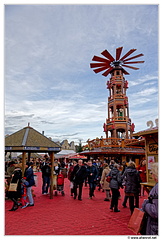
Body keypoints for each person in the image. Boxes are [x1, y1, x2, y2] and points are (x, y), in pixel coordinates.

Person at [142, 162, 158, 235]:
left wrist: (146, 204)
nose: (151, 175)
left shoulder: (157, 188)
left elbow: (155, 212)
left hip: (155, 227)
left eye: (152, 172)